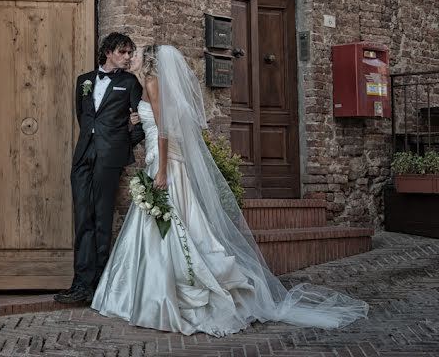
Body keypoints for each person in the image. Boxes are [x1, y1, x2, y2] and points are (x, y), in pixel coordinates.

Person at [91, 44, 369, 335]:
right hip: (158, 160)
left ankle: (162, 295)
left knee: (172, 223)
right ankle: (147, 293)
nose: (129, 58)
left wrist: (161, 170)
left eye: (133, 55)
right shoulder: (145, 85)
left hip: (165, 164)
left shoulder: (151, 82)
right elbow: (156, 124)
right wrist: (140, 120)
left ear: (147, 62)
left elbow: (164, 131)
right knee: (164, 224)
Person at [55, 32, 146, 304]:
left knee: (102, 218)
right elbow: (82, 117)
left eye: (130, 53)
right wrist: (90, 140)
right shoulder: (83, 81)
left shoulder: (130, 82)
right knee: (83, 217)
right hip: (83, 154)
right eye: (123, 52)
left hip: (110, 156)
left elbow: (140, 124)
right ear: (108, 52)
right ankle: (81, 284)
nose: (127, 57)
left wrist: (122, 143)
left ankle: (101, 286)